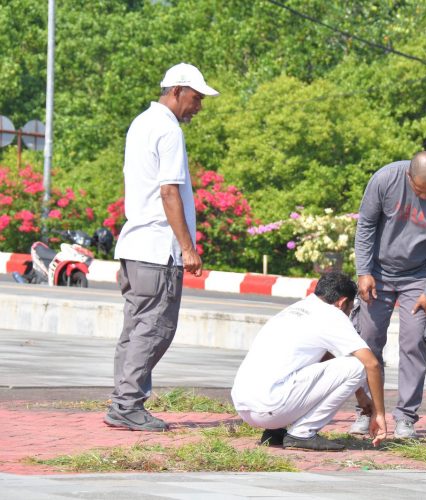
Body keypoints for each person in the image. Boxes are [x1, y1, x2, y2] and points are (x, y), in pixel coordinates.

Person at [105, 63, 219, 432]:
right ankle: (127, 404)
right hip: (157, 249)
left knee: (135, 328)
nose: (198, 106)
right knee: (155, 328)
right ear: (176, 91)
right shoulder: (168, 130)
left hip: (135, 245)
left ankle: (123, 402)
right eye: (196, 97)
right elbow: (168, 190)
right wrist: (187, 248)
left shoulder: (141, 123)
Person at [350, 151, 426, 439]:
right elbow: (365, 225)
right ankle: (366, 411)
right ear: (408, 176)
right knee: (368, 339)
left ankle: (405, 418)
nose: (425, 198)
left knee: (414, 342)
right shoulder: (385, 179)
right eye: (418, 191)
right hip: (377, 272)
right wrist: (364, 271)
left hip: (419, 276)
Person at [231, 272, 388, 451]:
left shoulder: (297, 308)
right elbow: (371, 364)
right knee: (358, 365)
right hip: (271, 407)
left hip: (245, 406)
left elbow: (328, 356)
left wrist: (361, 396)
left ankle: (274, 432)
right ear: (342, 302)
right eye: (350, 309)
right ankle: (302, 434)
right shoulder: (332, 315)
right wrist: (379, 413)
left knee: (299, 362)